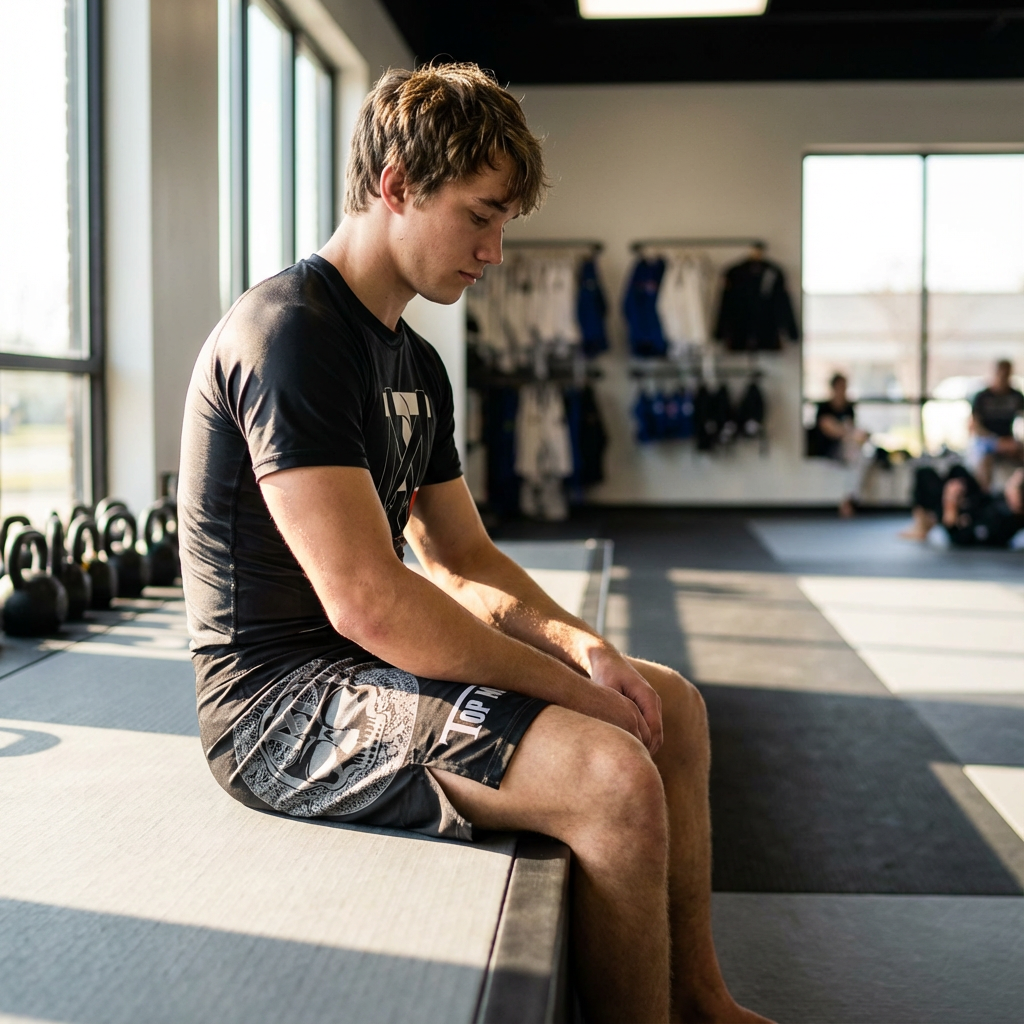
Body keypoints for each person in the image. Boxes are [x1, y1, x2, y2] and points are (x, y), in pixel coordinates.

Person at [177, 64, 770, 1024]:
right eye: (481, 217)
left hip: (370, 670)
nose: (495, 253)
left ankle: (700, 998)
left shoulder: (412, 359)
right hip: (278, 711)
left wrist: (589, 651)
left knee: (675, 707)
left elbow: (462, 560)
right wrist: (576, 701)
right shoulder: (289, 337)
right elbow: (368, 600)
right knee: (612, 774)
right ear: (399, 183)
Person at [901, 464, 1024, 547]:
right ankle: (925, 522)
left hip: (956, 515)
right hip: (975, 502)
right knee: (957, 471)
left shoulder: (1003, 520)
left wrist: (950, 503)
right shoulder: (1004, 501)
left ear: (1017, 498)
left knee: (924, 476)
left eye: (1014, 482)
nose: (1010, 482)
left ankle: (922, 525)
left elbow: (963, 535)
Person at [809, 372, 871, 518]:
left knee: (860, 457)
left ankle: (849, 498)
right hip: (830, 449)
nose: (843, 389)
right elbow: (831, 429)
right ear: (834, 387)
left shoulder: (849, 408)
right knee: (856, 454)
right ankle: (849, 500)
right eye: (840, 386)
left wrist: (857, 435)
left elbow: (852, 429)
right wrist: (849, 433)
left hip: (849, 449)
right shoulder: (824, 408)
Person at [968, 359, 1024, 491]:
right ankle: (984, 495)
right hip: (987, 440)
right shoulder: (982, 397)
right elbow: (975, 426)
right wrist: (996, 441)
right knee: (985, 457)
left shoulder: (1016, 396)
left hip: (1009, 440)